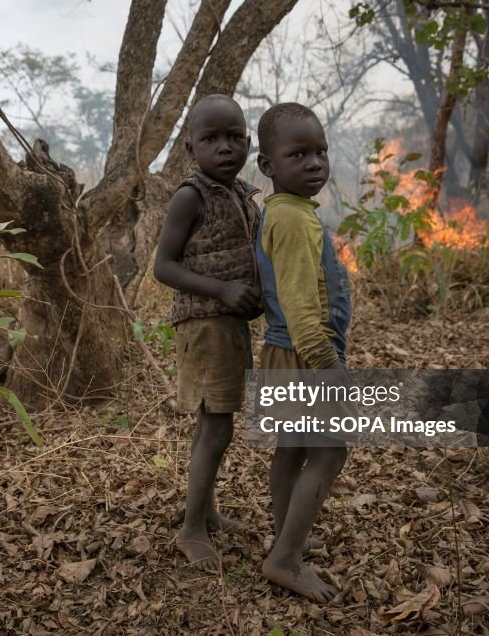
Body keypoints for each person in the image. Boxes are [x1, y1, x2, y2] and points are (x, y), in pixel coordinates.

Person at [153, 94, 263, 571]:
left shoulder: (240, 192)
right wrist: (220, 288)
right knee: (215, 427)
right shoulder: (189, 195)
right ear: (189, 147)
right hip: (204, 324)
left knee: (215, 425)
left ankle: (205, 511)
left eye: (235, 138)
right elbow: (163, 267)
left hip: (229, 324)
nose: (225, 148)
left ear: (249, 142)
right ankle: (191, 529)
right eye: (211, 139)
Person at [254, 102, 352, 602]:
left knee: (291, 449)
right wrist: (328, 366)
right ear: (268, 167)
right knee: (330, 452)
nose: (315, 163)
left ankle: (287, 534)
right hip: (301, 355)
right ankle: (286, 558)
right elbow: (298, 304)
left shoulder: (286, 211)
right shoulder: (292, 220)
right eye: (299, 154)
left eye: (321, 152)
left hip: (283, 352)